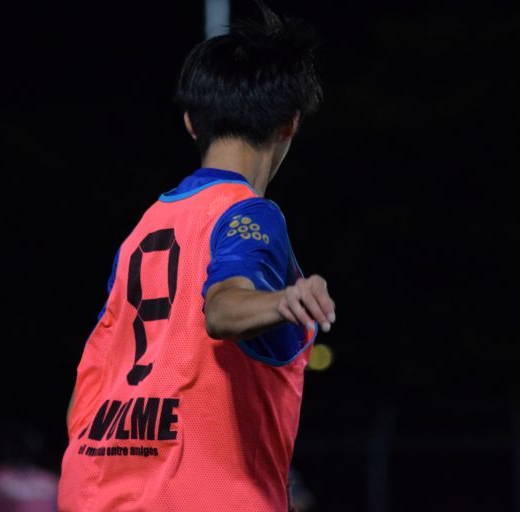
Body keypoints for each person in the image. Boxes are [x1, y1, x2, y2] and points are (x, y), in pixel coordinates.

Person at [58, 3, 335, 511]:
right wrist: (283, 301)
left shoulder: (146, 227)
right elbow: (223, 307)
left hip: (95, 492)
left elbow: (86, 389)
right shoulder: (248, 213)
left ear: (190, 123)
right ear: (289, 124)